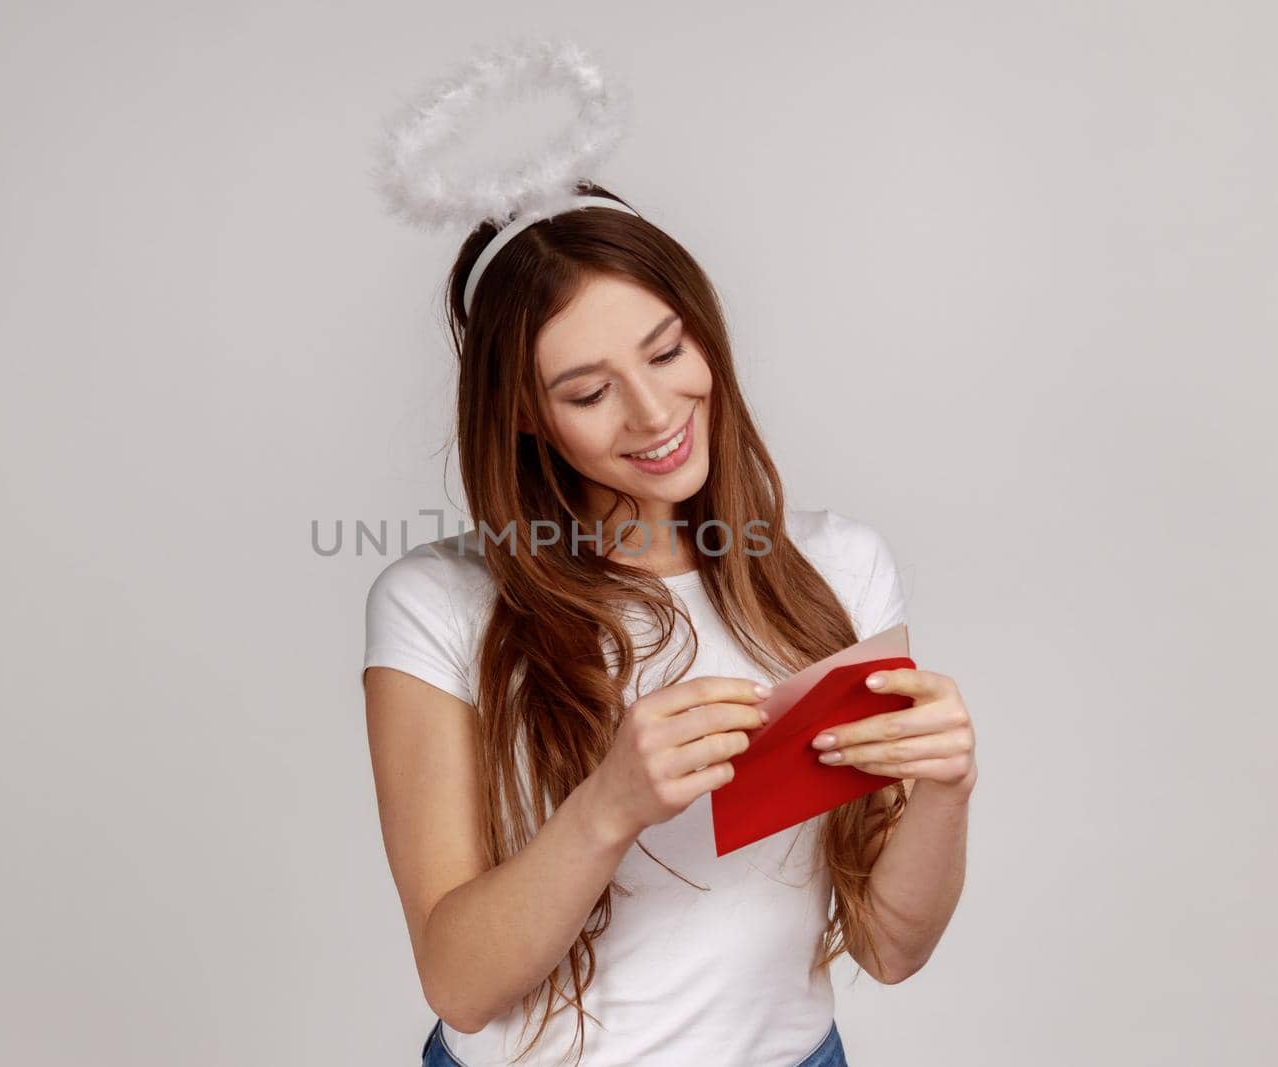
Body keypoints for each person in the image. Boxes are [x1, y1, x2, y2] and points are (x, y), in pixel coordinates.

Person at [361, 183, 978, 1067]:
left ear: (703, 329)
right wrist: (610, 804)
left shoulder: (837, 573)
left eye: (666, 351)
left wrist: (947, 791)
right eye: (588, 392)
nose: (653, 414)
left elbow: (890, 948)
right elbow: (458, 982)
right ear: (527, 415)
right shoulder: (440, 600)